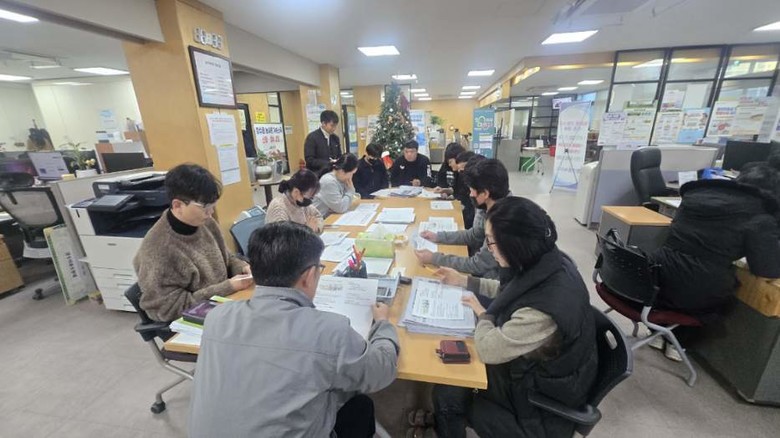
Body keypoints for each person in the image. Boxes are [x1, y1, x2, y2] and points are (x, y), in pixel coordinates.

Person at [189, 222, 399, 438]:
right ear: (309, 275)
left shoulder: (217, 317)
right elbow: (382, 370)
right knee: (359, 405)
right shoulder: (329, 331)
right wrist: (383, 324)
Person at [433, 197, 598, 438]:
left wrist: (484, 314)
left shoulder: (542, 313)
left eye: (490, 241)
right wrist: (464, 281)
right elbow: (510, 290)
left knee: (447, 389)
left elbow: (487, 349)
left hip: (537, 405)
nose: (488, 248)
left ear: (514, 246)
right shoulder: (547, 260)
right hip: (539, 369)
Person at [650, 160, 780, 317]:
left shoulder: (694, 196)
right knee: (736, 307)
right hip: (694, 293)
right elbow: (767, 269)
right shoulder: (760, 217)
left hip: (655, 277)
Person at [133, 164, 253, 322]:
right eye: (206, 207)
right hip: (192, 321)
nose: (210, 213)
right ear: (178, 205)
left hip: (224, 305)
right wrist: (227, 287)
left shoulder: (204, 223)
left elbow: (227, 257)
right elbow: (167, 310)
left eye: (213, 206)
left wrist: (243, 268)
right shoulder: (159, 249)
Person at [416, 158, 507, 279]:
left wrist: (435, 258)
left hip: (494, 280)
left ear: (485, 194)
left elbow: (478, 265)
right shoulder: (489, 205)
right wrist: (438, 236)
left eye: (472, 190)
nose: (470, 194)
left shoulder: (501, 221)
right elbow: (475, 235)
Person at [265, 168, 323, 233]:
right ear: (296, 192)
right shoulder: (278, 208)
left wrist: (316, 227)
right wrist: (307, 230)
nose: (310, 200)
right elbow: (281, 237)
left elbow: (318, 216)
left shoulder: (301, 204)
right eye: (310, 197)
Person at [313, 153, 361, 217]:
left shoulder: (341, 179)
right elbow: (341, 208)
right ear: (342, 171)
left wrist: (350, 192)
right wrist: (350, 190)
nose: (351, 177)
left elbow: (348, 202)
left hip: (330, 216)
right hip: (319, 218)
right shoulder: (329, 181)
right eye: (351, 173)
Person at [304, 110, 342, 176]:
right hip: (317, 174)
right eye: (332, 125)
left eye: (335, 126)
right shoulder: (312, 137)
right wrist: (328, 163)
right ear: (323, 123)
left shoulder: (335, 138)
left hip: (333, 173)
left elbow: (339, 155)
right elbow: (309, 160)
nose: (334, 128)